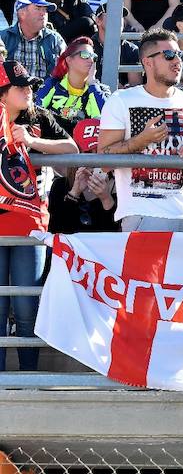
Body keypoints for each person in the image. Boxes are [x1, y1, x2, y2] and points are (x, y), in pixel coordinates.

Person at [0, 60, 78, 373]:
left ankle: (28, 378)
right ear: (2, 93)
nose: (28, 91)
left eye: (30, 85)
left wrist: (33, 143)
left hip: (31, 226)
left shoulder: (39, 117)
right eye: (20, 87)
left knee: (26, 305)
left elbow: (72, 148)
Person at [97, 29, 183, 232]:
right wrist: (140, 141)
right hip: (140, 213)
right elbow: (103, 162)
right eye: (168, 55)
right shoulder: (121, 100)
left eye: (180, 55)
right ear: (147, 62)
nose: (177, 61)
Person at [47, 117, 118, 234]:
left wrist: (106, 199)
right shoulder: (61, 185)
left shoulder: (119, 185)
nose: (94, 160)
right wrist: (74, 193)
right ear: (77, 153)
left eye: (99, 152)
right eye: (88, 153)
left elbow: (115, 235)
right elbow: (57, 231)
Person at [36, 36, 108, 134]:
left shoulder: (100, 90)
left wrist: (92, 83)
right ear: (69, 60)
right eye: (85, 55)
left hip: (85, 146)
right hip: (53, 142)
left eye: (93, 56)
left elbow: (107, 119)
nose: (91, 60)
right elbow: (36, 110)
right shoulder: (52, 84)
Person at [0, 0, 66, 83]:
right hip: (11, 96)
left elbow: (66, 73)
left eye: (45, 10)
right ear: (22, 13)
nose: (44, 13)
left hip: (45, 96)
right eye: (38, 8)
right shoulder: (3, 38)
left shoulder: (55, 39)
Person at [92, 2, 141, 88]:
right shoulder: (87, 46)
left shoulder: (131, 49)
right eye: (112, 14)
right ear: (98, 21)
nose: (118, 18)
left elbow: (135, 86)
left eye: (121, 16)